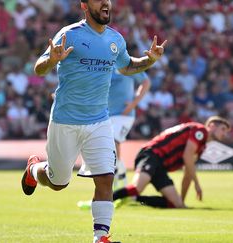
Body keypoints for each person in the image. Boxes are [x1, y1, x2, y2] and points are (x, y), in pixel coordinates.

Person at [20, 0, 167, 243]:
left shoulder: (115, 39)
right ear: (85, 6)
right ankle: (34, 170)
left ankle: (101, 237)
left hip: (99, 120)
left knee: (106, 177)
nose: (106, 3)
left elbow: (128, 66)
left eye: (107, 0)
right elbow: (38, 69)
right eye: (99, 0)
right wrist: (52, 60)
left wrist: (150, 59)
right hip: (65, 120)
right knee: (58, 183)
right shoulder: (70, 34)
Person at [112, 116, 230, 208]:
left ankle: (133, 199)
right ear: (212, 125)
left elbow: (188, 172)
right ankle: (103, 200)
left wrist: (182, 202)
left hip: (161, 166)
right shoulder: (201, 131)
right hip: (152, 154)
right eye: (223, 129)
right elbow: (187, 157)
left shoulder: (201, 147)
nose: (224, 134)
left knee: (175, 204)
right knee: (137, 188)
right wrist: (197, 184)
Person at [108, 69, 151, 190]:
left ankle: (117, 184)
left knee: (113, 142)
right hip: (105, 115)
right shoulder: (102, 61)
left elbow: (146, 82)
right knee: (107, 148)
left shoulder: (125, 63)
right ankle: (118, 183)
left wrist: (133, 103)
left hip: (124, 115)